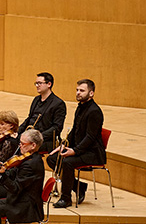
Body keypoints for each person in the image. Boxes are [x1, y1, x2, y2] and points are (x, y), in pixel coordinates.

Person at [49, 79, 105, 208]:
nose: (78, 93)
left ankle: (66, 198)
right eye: (77, 90)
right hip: (81, 149)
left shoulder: (94, 111)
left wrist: (74, 151)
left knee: (67, 162)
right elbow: (75, 130)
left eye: (82, 91)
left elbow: (90, 137)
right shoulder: (81, 107)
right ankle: (78, 186)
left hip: (93, 152)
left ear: (91, 93)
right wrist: (63, 145)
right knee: (53, 159)